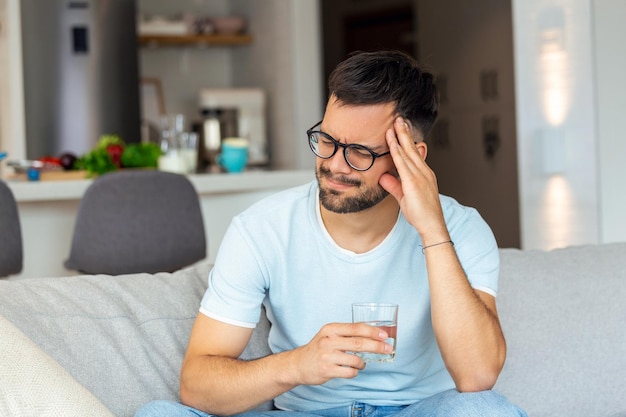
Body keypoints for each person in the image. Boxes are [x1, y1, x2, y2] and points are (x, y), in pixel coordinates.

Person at [136, 50, 527, 417]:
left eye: (360, 151)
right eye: (327, 140)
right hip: (307, 412)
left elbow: (477, 378)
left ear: (413, 156)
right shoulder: (262, 229)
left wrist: (431, 230)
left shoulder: (461, 228)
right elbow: (197, 385)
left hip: (418, 410)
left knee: (486, 411)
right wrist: (298, 364)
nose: (335, 165)